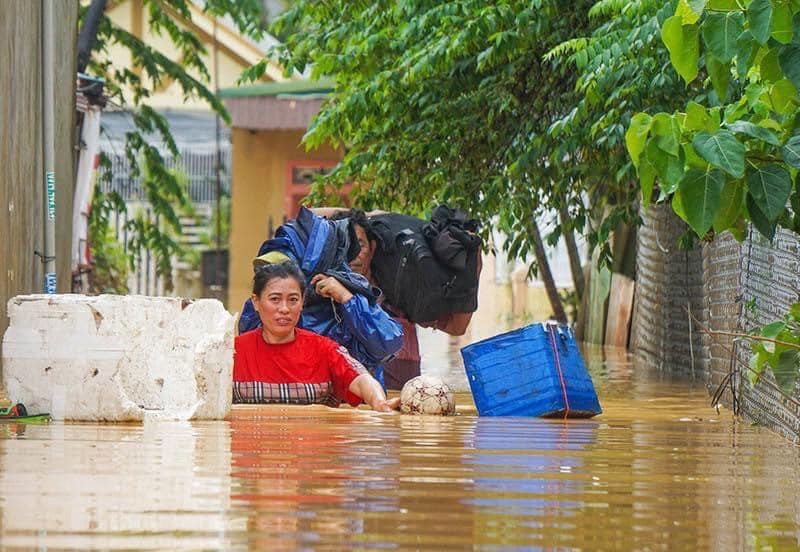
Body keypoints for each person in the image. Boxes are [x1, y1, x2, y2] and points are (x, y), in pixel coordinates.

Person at [238, 207, 403, 388]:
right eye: (275, 298)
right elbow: (252, 343)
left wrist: (347, 299)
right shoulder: (267, 307)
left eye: (290, 266)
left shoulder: (348, 304)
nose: (283, 307)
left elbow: (388, 342)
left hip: (351, 408)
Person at [233, 261, 400, 412]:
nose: (284, 308)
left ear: (302, 302)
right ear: (256, 302)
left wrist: (378, 401)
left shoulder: (325, 350)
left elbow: (361, 379)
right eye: (275, 299)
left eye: (293, 299)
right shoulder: (232, 352)